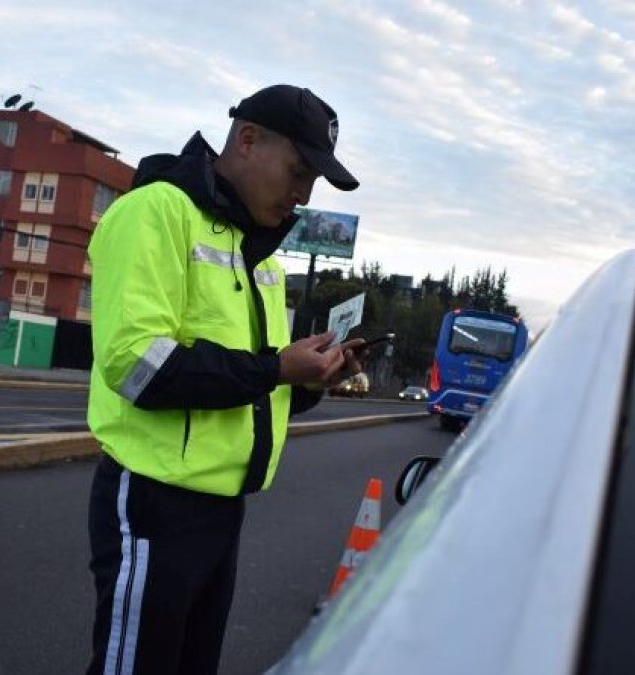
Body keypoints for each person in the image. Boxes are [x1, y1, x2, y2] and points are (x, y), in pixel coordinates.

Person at [84, 84, 362, 675]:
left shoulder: (255, 253)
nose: (302, 194)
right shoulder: (156, 212)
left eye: (312, 181)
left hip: (221, 511)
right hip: (156, 504)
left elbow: (253, 391)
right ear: (246, 139)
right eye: (298, 170)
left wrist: (312, 379)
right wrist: (278, 367)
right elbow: (137, 366)